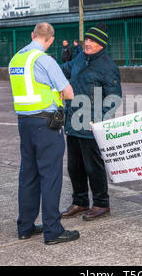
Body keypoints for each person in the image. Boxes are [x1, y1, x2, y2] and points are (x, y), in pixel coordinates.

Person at [8, 22, 80, 245]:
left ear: (32, 35)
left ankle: (25, 227)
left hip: (24, 123)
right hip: (46, 125)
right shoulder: (44, 60)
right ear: (50, 40)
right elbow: (69, 93)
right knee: (50, 177)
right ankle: (53, 230)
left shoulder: (16, 59)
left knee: (28, 175)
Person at [60, 22, 122, 221]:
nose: (87, 43)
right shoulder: (80, 58)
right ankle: (80, 202)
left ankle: (101, 203)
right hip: (73, 122)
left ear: (102, 44)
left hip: (91, 126)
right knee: (74, 167)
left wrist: (99, 121)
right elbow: (64, 70)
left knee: (93, 167)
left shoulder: (108, 67)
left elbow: (114, 99)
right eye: (86, 39)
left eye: (92, 41)